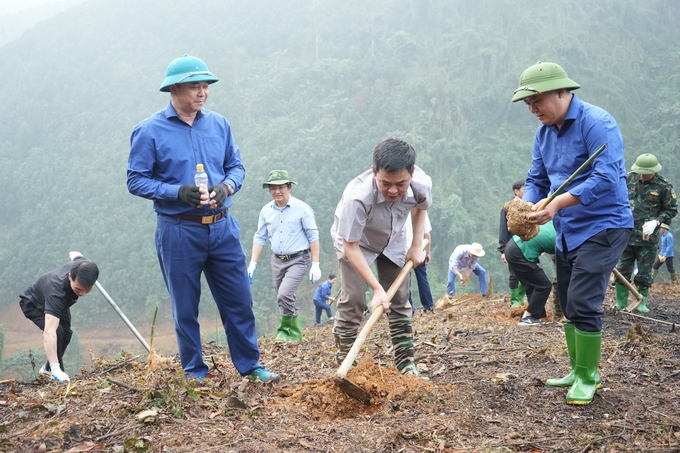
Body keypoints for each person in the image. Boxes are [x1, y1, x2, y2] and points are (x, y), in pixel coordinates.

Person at [127, 55, 279, 383]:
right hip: (179, 230)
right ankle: (195, 372)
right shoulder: (149, 131)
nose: (202, 92)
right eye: (195, 86)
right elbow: (135, 180)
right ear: (174, 88)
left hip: (223, 227)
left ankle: (251, 365)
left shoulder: (219, 124)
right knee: (185, 307)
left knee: (239, 300)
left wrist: (227, 186)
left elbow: (236, 167)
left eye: (205, 86)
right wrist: (176, 192)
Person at [512, 61, 633, 405]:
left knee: (583, 300)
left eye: (538, 101)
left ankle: (589, 375)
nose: (533, 109)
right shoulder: (544, 134)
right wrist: (529, 206)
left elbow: (606, 177)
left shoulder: (598, 124)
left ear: (563, 91)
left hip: (604, 225)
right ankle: (576, 368)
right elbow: (536, 178)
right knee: (566, 299)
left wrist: (558, 204)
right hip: (568, 229)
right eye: (528, 104)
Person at [330, 138, 431, 376]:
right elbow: (351, 246)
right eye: (386, 183)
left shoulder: (421, 184)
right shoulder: (357, 197)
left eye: (401, 184)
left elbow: (420, 208)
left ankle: (406, 365)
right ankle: (346, 365)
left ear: (412, 174)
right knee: (353, 299)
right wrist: (376, 289)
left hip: (395, 237)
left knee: (400, 299)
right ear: (374, 172)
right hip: (358, 242)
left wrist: (416, 245)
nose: (394, 190)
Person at [248, 170, 321, 343]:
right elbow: (260, 237)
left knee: (284, 294)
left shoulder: (302, 209)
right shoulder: (266, 211)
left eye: (281, 187)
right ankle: (286, 333)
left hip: (298, 258)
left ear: (289, 187)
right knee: (282, 296)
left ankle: (291, 331)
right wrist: (253, 263)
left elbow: (313, 236)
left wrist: (315, 264)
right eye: (273, 188)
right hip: (277, 260)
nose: (277, 191)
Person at [19, 252, 99, 382]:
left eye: (88, 289)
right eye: (78, 289)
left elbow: (75, 255)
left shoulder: (83, 266)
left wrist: (73, 253)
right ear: (69, 277)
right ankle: (56, 372)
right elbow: (49, 333)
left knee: (66, 334)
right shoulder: (56, 292)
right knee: (57, 331)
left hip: (60, 304)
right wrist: (56, 368)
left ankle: (46, 369)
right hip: (34, 304)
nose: (83, 293)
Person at [614, 154, 677, 312]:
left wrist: (657, 221)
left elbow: (671, 209)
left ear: (653, 171)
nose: (642, 175)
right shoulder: (628, 179)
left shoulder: (663, 186)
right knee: (622, 269)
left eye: (645, 173)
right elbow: (615, 198)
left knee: (644, 272)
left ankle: (641, 302)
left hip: (647, 238)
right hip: (626, 234)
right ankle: (621, 302)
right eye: (639, 172)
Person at [505, 221, 556, 326]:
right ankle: (528, 317)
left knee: (532, 285)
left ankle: (533, 317)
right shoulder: (561, 236)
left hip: (512, 246)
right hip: (519, 251)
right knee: (544, 285)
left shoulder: (552, 222)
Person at [499, 179, 527, 308]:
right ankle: (514, 299)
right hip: (512, 245)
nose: (526, 192)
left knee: (528, 270)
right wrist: (503, 250)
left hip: (527, 244)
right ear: (516, 191)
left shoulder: (529, 205)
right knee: (514, 272)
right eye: (524, 189)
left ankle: (522, 296)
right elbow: (503, 230)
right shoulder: (508, 208)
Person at [405, 212, 434, 313]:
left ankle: (408, 310)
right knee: (422, 279)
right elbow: (427, 235)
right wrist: (428, 253)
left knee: (405, 282)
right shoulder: (422, 211)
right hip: (419, 251)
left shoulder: (401, 208)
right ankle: (429, 306)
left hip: (405, 252)